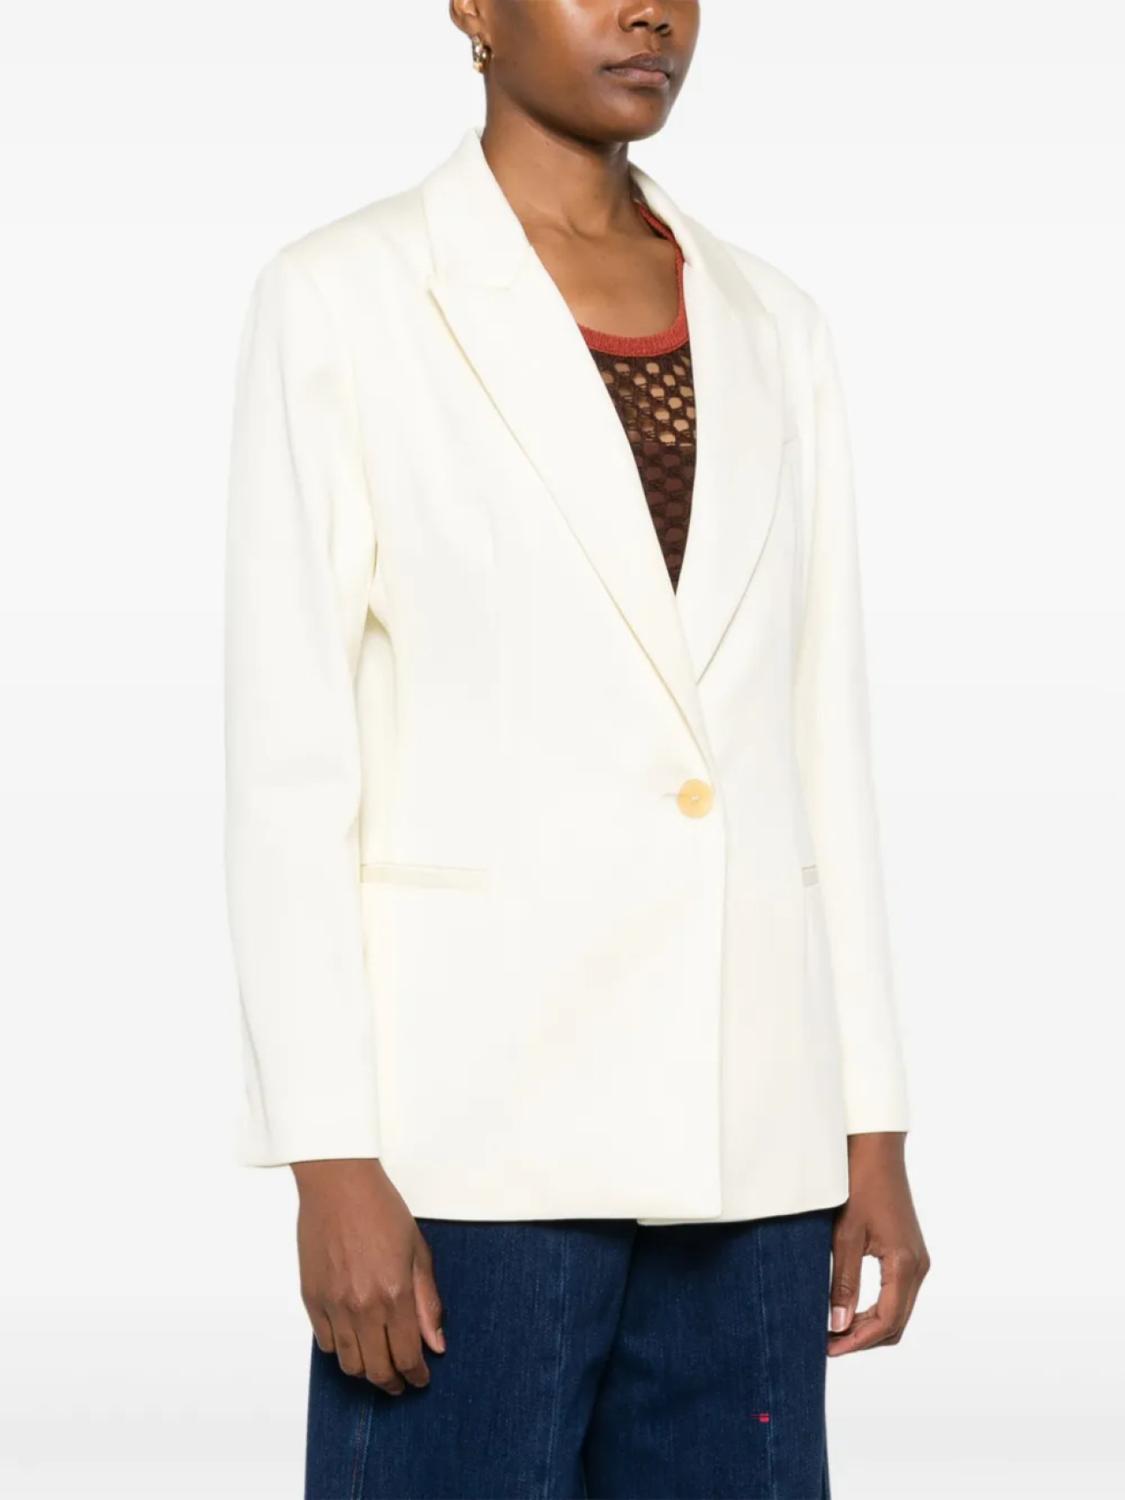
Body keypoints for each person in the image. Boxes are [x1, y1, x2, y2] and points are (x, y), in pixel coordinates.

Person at [222, 3, 930, 1496]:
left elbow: (822, 743)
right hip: (469, 1142)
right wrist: (327, 1157)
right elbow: (289, 767)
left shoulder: (773, 323)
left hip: (750, 1137)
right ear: (472, 10)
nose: (647, 11)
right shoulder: (344, 298)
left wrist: (869, 1123)